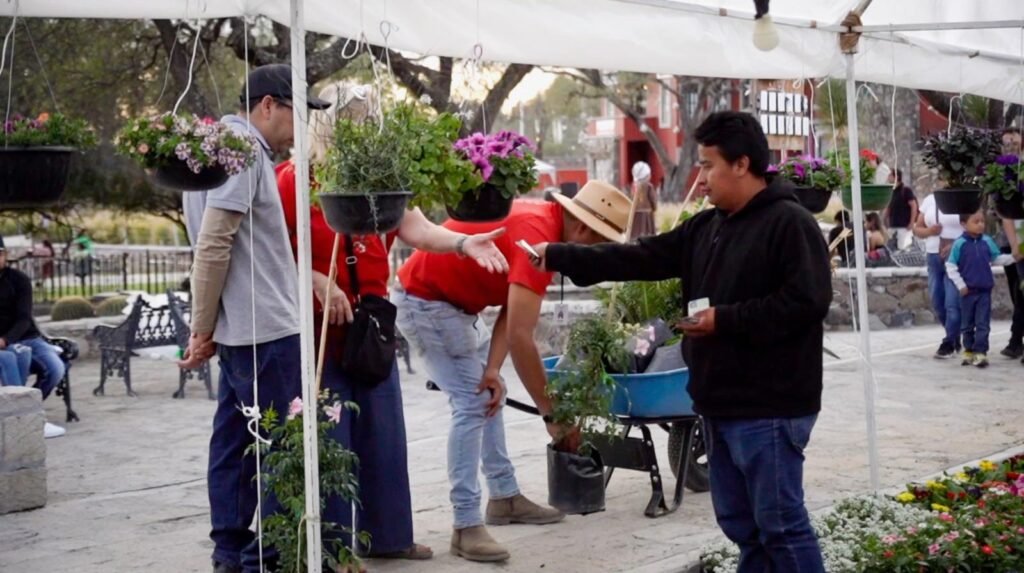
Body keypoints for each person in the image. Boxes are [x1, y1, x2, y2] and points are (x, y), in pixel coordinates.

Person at [533, 111, 831, 573]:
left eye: (709, 165)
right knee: (741, 526)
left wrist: (722, 320)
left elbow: (806, 302)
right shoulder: (707, 226)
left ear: (742, 163)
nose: (702, 177)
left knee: (781, 526)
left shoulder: (790, 223)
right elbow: (642, 256)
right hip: (718, 402)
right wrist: (558, 255)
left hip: (770, 406)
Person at [276, 81, 510, 563]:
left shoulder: (380, 174)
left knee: (383, 432)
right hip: (321, 328)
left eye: (369, 119)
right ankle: (335, 546)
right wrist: (318, 279)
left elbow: (415, 227)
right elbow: (274, 252)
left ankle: (389, 537)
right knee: (331, 433)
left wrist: (464, 243)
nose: (364, 128)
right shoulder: (295, 180)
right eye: (355, 120)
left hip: (373, 320)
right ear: (328, 123)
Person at [391, 181, 631, 563]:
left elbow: (512, 308)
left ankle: (503, 497)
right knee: (472, 405)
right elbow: (522, 338)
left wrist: (492, 369)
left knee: (489, 393)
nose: (593, 257)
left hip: (454, 304)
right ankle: (465, 525)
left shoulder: (548, 228)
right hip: (426, 301)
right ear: (583, 229)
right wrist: (553, 416)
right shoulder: (537, 237)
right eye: (597, 246)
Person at [177, 63, 331, 573]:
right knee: (280, 446)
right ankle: (269, 556)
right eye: (297, 113)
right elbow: (215, 243)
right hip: (265, 329)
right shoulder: (240, 152)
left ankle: (232, 553)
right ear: (268, 105)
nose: (300, 127)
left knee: (235, 442)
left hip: (244, 327)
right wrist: (202, 327)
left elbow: (234, 244)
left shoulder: (211, 150)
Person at [0, 234, 67, 438]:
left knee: (56, 369)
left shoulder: (18, 280)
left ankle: (30, 413)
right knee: (14, 358)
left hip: (26, 337)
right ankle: (25, 419)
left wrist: (5, 340)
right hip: (6, 346)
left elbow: (23, 318)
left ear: (5, 255)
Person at [945, 210, 1016, 368]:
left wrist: (1012, 258)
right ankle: (969, 350)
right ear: (964, 224)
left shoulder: (987, 241)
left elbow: (996, 258)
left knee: (983, 323)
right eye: (975, 222)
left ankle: (981, 352)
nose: (980, 225)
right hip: (968, 293)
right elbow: (950, 266)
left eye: (982, 221)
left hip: (984, 291)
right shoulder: (959, 244)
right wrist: (961, 285)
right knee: (967, 324)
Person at [914, 190, 966, 359]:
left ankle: (949, 342)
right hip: (933, 255)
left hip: (955, 255)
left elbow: (975, 225)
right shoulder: (930, 199)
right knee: (937, 301)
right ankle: (953, 336)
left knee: (952, 302)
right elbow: (917, 228)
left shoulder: (963, 198)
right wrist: (930, 231)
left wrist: (956, 243)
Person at [996, 126, 1024, 361]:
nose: (1011, 146)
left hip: (1019, 242)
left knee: (1021, 292)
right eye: (1007, 143)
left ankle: (1016, 341)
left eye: (1015, 142)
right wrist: (1015, 246)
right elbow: (1004, 213)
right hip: (1010, 243)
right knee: (1017, 292)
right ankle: (1017, 342)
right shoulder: (1000, 173)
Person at [882, 168, 917, 250]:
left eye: (890, 175)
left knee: (903, 249)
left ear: (896, 177)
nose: (888, 177)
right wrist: (885, 220)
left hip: (904, 226)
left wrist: (912, 222)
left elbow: (913, 206)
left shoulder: (906, 190)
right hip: (892, 225)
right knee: (891, 249)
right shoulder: (891, 191)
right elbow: (889, 207)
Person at [629, 161, 658, 239]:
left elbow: (631, 198)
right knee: (646, 232)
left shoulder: (634, 186)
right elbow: (653, 200)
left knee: (635, 231)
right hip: (646, 215)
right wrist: (654, 207)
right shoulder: (649, 187)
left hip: (635, 213)